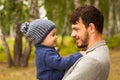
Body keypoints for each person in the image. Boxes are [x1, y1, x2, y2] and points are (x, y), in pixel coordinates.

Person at [62, 5, 110, 80]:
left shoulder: (92, 61)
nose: (72, 34)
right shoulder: (101, 51)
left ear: (91, 28)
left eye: (76, 29)